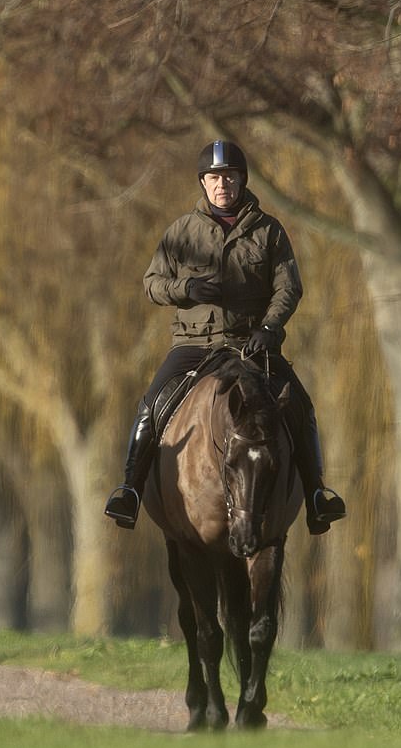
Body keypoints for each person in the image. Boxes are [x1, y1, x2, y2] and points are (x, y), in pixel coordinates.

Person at [104, 140, 346, 535]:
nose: (222, 185)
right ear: (203, 182)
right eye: (214, 178)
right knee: (151, 404)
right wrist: (186, 288)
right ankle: (129, 490)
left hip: (252, 345)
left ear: (242, 180)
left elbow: (288, 288)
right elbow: (152, 284)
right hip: (194, 344)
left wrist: (269, 328)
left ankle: (318, 494)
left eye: (229, 177)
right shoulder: (181, 231)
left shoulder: (268, 231)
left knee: (301, 405)